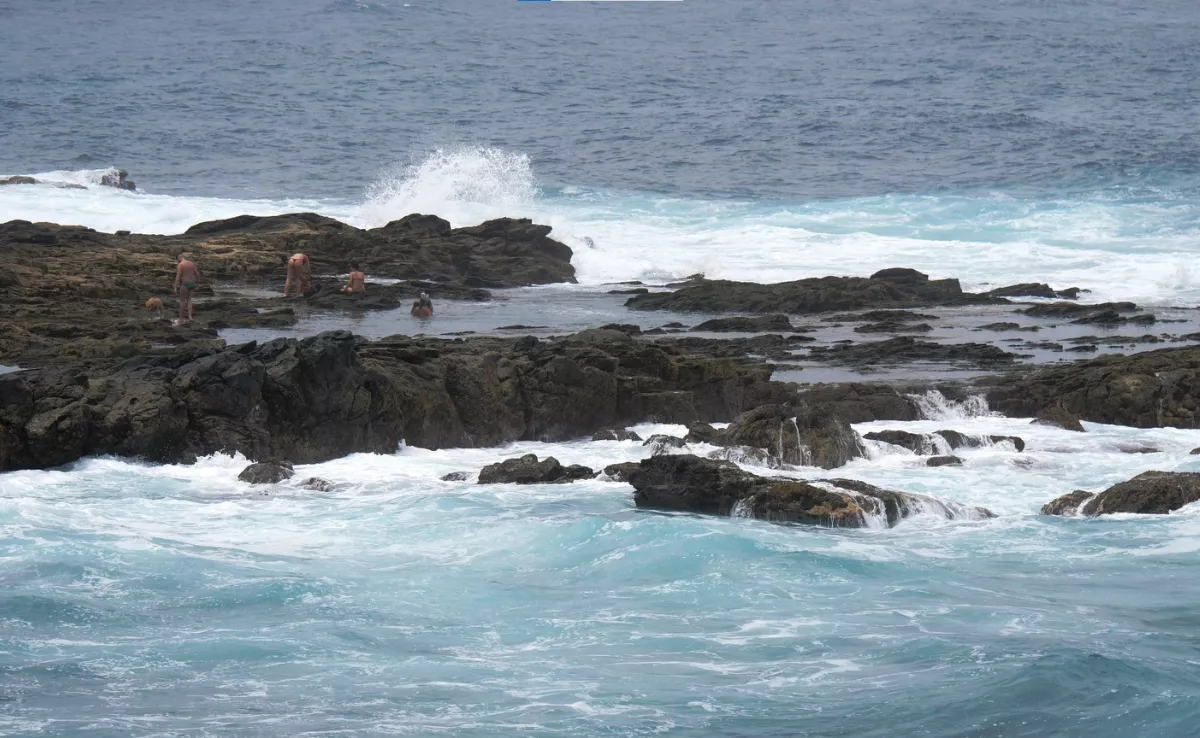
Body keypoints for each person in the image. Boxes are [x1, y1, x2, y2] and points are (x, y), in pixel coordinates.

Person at [173, 253, 200, 325]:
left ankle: (181, 318)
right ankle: (190, 317)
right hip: (192, 283)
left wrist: (176, 286)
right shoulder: (191, 263)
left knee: (182, 301)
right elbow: (197, 274)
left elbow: (178, 277)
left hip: (185, 284)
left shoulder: (180, 265)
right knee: (189, 300)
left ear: (178, 258)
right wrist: (197, 283)